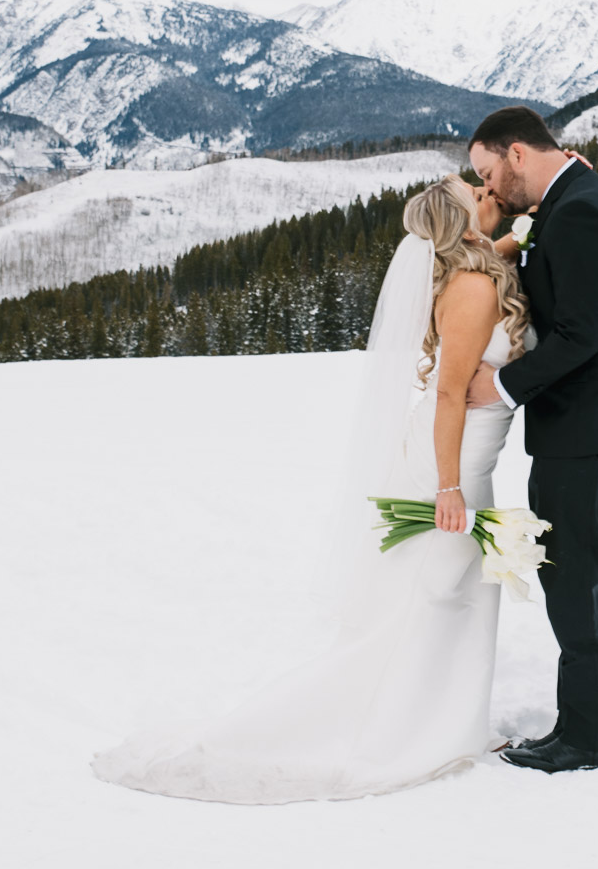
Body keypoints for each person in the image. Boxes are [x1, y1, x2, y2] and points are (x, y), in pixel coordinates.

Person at [92, 175, 533, 804]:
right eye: (478, 196)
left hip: (466, 457)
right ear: (462, 226)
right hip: (452, 461)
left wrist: (520, 235)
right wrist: (448, 487)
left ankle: (445, 720)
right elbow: (448, 394)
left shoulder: (477, 269)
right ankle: (412, 729)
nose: (489, 194)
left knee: (454, 591)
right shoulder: (471, 287)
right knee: (437, 595)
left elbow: (492, 260)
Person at [465, 106, 598, 774]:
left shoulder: (580, 209)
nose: (490, 190)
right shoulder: (570, 196)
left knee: (573, 572)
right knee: (569, 566)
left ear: (519, 154)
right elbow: (549, 260)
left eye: (489, 173)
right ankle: (586, 724)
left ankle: (589, 738)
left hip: (597, 423)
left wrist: (498, 388)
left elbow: (581, 334)